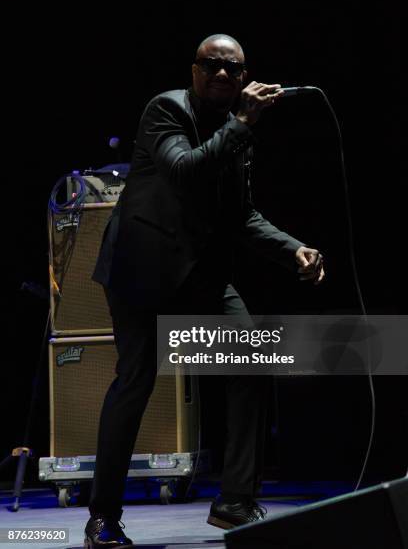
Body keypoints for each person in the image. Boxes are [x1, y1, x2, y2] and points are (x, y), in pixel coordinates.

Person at [85, 33, 324, 547]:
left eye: (231, 68)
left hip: (200, 275)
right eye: (210, 65)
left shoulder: (237, 132)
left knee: (254, 362)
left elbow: (240, 214)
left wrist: (293, 249)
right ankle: (102, 517)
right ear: (193, 71)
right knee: (135, 384)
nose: (220, 74)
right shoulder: (166, 110)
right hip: (143, 274)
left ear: (243, 77)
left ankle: (234, 502)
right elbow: (185, 170)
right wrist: (241, 124)